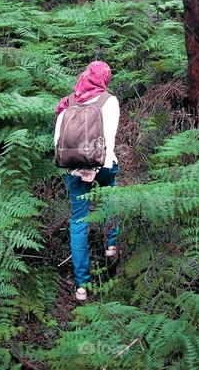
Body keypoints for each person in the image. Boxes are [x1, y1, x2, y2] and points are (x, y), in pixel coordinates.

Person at [54, 60, 120, 302]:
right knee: (110, 194)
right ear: (104, 79)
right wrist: (96, 167)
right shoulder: (108, 101)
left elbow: (57, 143)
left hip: (72, 169)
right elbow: (109, 139)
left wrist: (79, 168)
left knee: (79, 219)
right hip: (101, 164)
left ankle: (81, 286)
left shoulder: (67, 102)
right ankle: (111, 245)